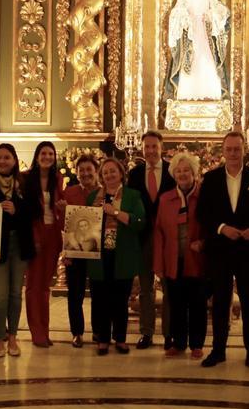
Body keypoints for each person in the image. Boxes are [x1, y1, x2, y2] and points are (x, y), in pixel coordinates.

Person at [197, 131, 249, 368]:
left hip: (248, 250)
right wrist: (222, 228)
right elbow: (203, 213)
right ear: (223, 151)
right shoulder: (211, 178)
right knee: (220, 301)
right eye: (229, 149)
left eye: (237, 149)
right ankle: (218, 350)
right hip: (221, 250)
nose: (234, 153)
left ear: (244, 150)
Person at [79, 158, 146, 355]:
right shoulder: (93, 197)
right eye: (105, 172)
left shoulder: (133, 196)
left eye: (113, 171)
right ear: (102, 176)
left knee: (120, 299)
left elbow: (139, 221)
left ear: (121, 173)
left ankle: (121, 339)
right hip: (99, 256)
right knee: (100, 300)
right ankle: (103, 339)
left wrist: (115, 212)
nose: (109, 175)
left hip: (122, 255)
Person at [0, 144, 41, 358]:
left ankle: (13, 337)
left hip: (20, 244)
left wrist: (17, 210)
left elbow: (36, 211)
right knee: (0, 295)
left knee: (16, 294)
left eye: (7, 157)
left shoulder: (25, 184)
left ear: (15, 160)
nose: (3, 161)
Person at [152, 152, 206, 359]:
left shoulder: (203, 195)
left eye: (186, 170)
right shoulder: (166, 199)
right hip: (173, 259)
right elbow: (158, 232)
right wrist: (158, 263)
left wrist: (204, 244)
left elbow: (210, 226)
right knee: (176, 303)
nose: (182, 174)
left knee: (197, 303)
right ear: (173, 174)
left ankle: (197, 344)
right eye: (178, 170)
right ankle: (179, 342)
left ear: (194, 172)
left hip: (197, 259)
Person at [126, 131, 175, 349]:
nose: (151, 151)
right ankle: (146, 332)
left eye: (154, 146)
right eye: (147, 147)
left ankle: (169, 333)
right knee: (145, 289)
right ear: (142, 149)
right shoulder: (135, 174)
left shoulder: (173, 171)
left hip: (167, 239)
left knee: (169, 288)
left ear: (161, 147)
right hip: (143, 238)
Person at [24, 141, 67, 348]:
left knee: (45, 287)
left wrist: (63, 208)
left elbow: (59, 212)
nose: (47, 157)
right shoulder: (26, 178)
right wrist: (33, 237)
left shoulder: (57, 179)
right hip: (34, 235)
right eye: (43, 153)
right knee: (33, 286)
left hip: (53, 236)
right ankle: (36, 333)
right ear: (37, 155)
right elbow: (25, 214)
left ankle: (45, 330)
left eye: (51, 153)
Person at [165, 0, 230, 100]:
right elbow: (177, 11)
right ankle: (188, 94)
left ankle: (209, 93)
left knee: (206, 58)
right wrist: (186, 18)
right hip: (191, 31)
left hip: (205, 31)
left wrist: (210, 16)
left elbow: (220, 11)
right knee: (190, 58)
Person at [62, 155, 101, 347]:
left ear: (96, 171)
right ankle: (77, 332)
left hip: (97, 252)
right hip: (75, 251)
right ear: (77, 173)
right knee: (75, 293)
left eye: (89, 169)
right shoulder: (69, 193)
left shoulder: (104, 193)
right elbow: (64, 224)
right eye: (81, 170)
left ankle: (98, 330)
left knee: (98, 293)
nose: (85, 173)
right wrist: (66, 252)